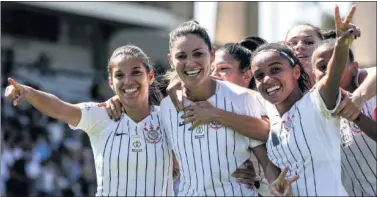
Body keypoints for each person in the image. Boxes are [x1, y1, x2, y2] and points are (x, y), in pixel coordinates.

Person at [4, 44, 175, 196]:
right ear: (111, 82)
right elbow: (60, 108)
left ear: (150, 76)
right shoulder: (101, 115)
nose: (128, 81)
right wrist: (29, 92)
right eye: (119, 75)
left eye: (136, 72)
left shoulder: (170, 119)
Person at [160, 20, 297, 196]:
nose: (190, 62)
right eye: (181, 56)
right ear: (171, 60)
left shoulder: (241, 98)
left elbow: (264, 156)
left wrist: (273, 184)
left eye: (198, 54)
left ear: (212, 54)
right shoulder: (166, 106)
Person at [249, 5, 360, 195]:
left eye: (275, 69)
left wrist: (341, 44)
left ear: (296, 72)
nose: (267, 79)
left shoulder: (317, 102)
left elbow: (332, 76)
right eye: (259, 75)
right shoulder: (273, 122)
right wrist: (275, 185)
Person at [312, 38, 376, 196]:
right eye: (323, 67)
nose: (331, 71)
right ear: (314, 75)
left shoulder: (369, 88)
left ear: (354, 68)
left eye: (339, 65)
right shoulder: (310, 105)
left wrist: (355, 108)